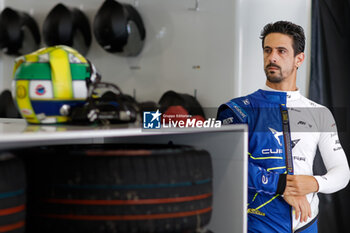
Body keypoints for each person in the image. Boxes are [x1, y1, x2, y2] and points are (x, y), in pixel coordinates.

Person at [217, 21, 350, 233]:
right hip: (258, 225)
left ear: (299, 59)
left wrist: (313, 183)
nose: (272, 58)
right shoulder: (237, 110)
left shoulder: (320, 113)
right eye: (267, 50)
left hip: (307, 224)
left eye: (281, 51)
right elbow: (227, 164)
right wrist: (281, 186)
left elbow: (342, 172)